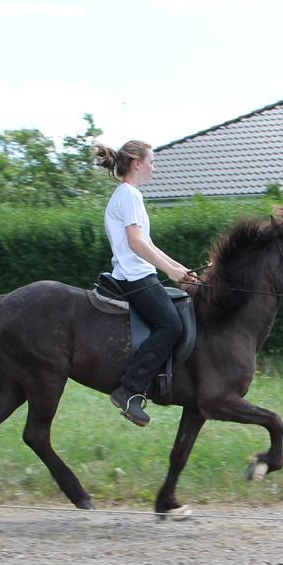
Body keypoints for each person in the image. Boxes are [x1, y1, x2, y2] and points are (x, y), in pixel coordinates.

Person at [94, 140, 196, 426]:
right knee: (172, 325)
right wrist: (169, 271)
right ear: (137, 162)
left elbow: (147, 243)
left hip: (136, 273)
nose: (154, 166)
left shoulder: (127, 195)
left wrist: (178, 268)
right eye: (151, 161)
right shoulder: (130, 195)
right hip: (136, 277)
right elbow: (137, 243)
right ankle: (130, 389)